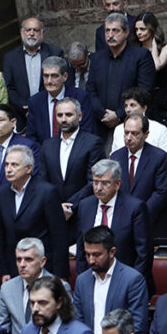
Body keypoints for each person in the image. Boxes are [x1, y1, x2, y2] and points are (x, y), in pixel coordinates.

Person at [0, 145, 68, 279]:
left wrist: (59, 275)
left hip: (43, 269)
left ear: (29, 168)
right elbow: (1, 235)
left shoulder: (46, 192)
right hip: (14, 268)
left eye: (14, 165)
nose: (8, 169)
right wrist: (4, 270)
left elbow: (59, 237)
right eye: (6, 164)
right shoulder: (2, 193)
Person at [39, 97, 105, 243]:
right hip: (52, 215)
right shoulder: (47, 145)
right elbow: (42, 181)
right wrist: (56, 207)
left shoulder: (93, 143)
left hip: (82, 213)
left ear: (79, 116)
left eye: (69, 115)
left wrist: (70, 206)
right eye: (60, 115)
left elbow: (93, 181)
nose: (63, 119)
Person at [73, 226, 150, 334]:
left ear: (112, 252)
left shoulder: (132, 279)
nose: (91, 260)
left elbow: (138, 326)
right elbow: (77, 322)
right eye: (87, 255)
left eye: (97, 255)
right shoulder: (82, 281)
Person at [0, 238, 71, 334]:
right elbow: (3, 330)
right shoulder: (7, 289)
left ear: (42, 261)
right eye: (18, 259)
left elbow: (66, 327)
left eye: (28, 259)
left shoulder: (60, 287)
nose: (22, 265)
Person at [111, 113, 167, 244]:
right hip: (124, 229)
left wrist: (138, 217)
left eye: (134, 133)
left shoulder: (160, 157)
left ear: (146, 134)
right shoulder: (115, 157)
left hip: (154, 226)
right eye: (126, 133)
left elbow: (161, 193)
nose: (128, 138)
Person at [87, 12, 154, 130]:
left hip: (132, 124)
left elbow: (144, 91)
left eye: (115, 31)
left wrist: (118, 115)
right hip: (100, 124)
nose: (110, 35)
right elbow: (91, 90)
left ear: (126, 32)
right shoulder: (97, 58)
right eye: (107, 31)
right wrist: (103, 114)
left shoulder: (141, 56)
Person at [2, 16, 68, 130]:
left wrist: (38, 106)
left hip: (51, 112)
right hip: (22, 116)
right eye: (28, 30)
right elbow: (8, 87)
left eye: (36, 30)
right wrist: (26, 108)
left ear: (42, 33)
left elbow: (60, 83)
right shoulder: (10, 58)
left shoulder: (55, 53)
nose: (31, 33)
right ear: (22, 32)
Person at [26, 55, 101, 143]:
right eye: (46, 76)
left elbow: (87, 131)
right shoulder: (35, 102)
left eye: (54, 76)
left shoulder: (80, 97)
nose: (49, 81)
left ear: (64, 76)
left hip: (76, 152)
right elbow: (31, 138)